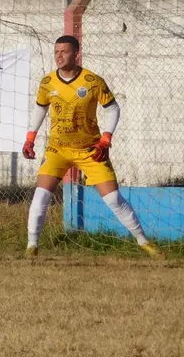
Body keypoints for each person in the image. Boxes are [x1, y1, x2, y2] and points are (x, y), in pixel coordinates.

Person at [21, 35, 161, 258]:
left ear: (76, 54)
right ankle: (32, 246)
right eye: (56, 52)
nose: (59, 56)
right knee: (41, 195)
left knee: (113, 198)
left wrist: (106, 138)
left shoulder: (93, 81)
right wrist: (30, 138)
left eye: (64, 52)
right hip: (58, 148)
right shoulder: (47, 83)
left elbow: (113, 109)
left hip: (90, 149)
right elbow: (40, 108)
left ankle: (144, 242)